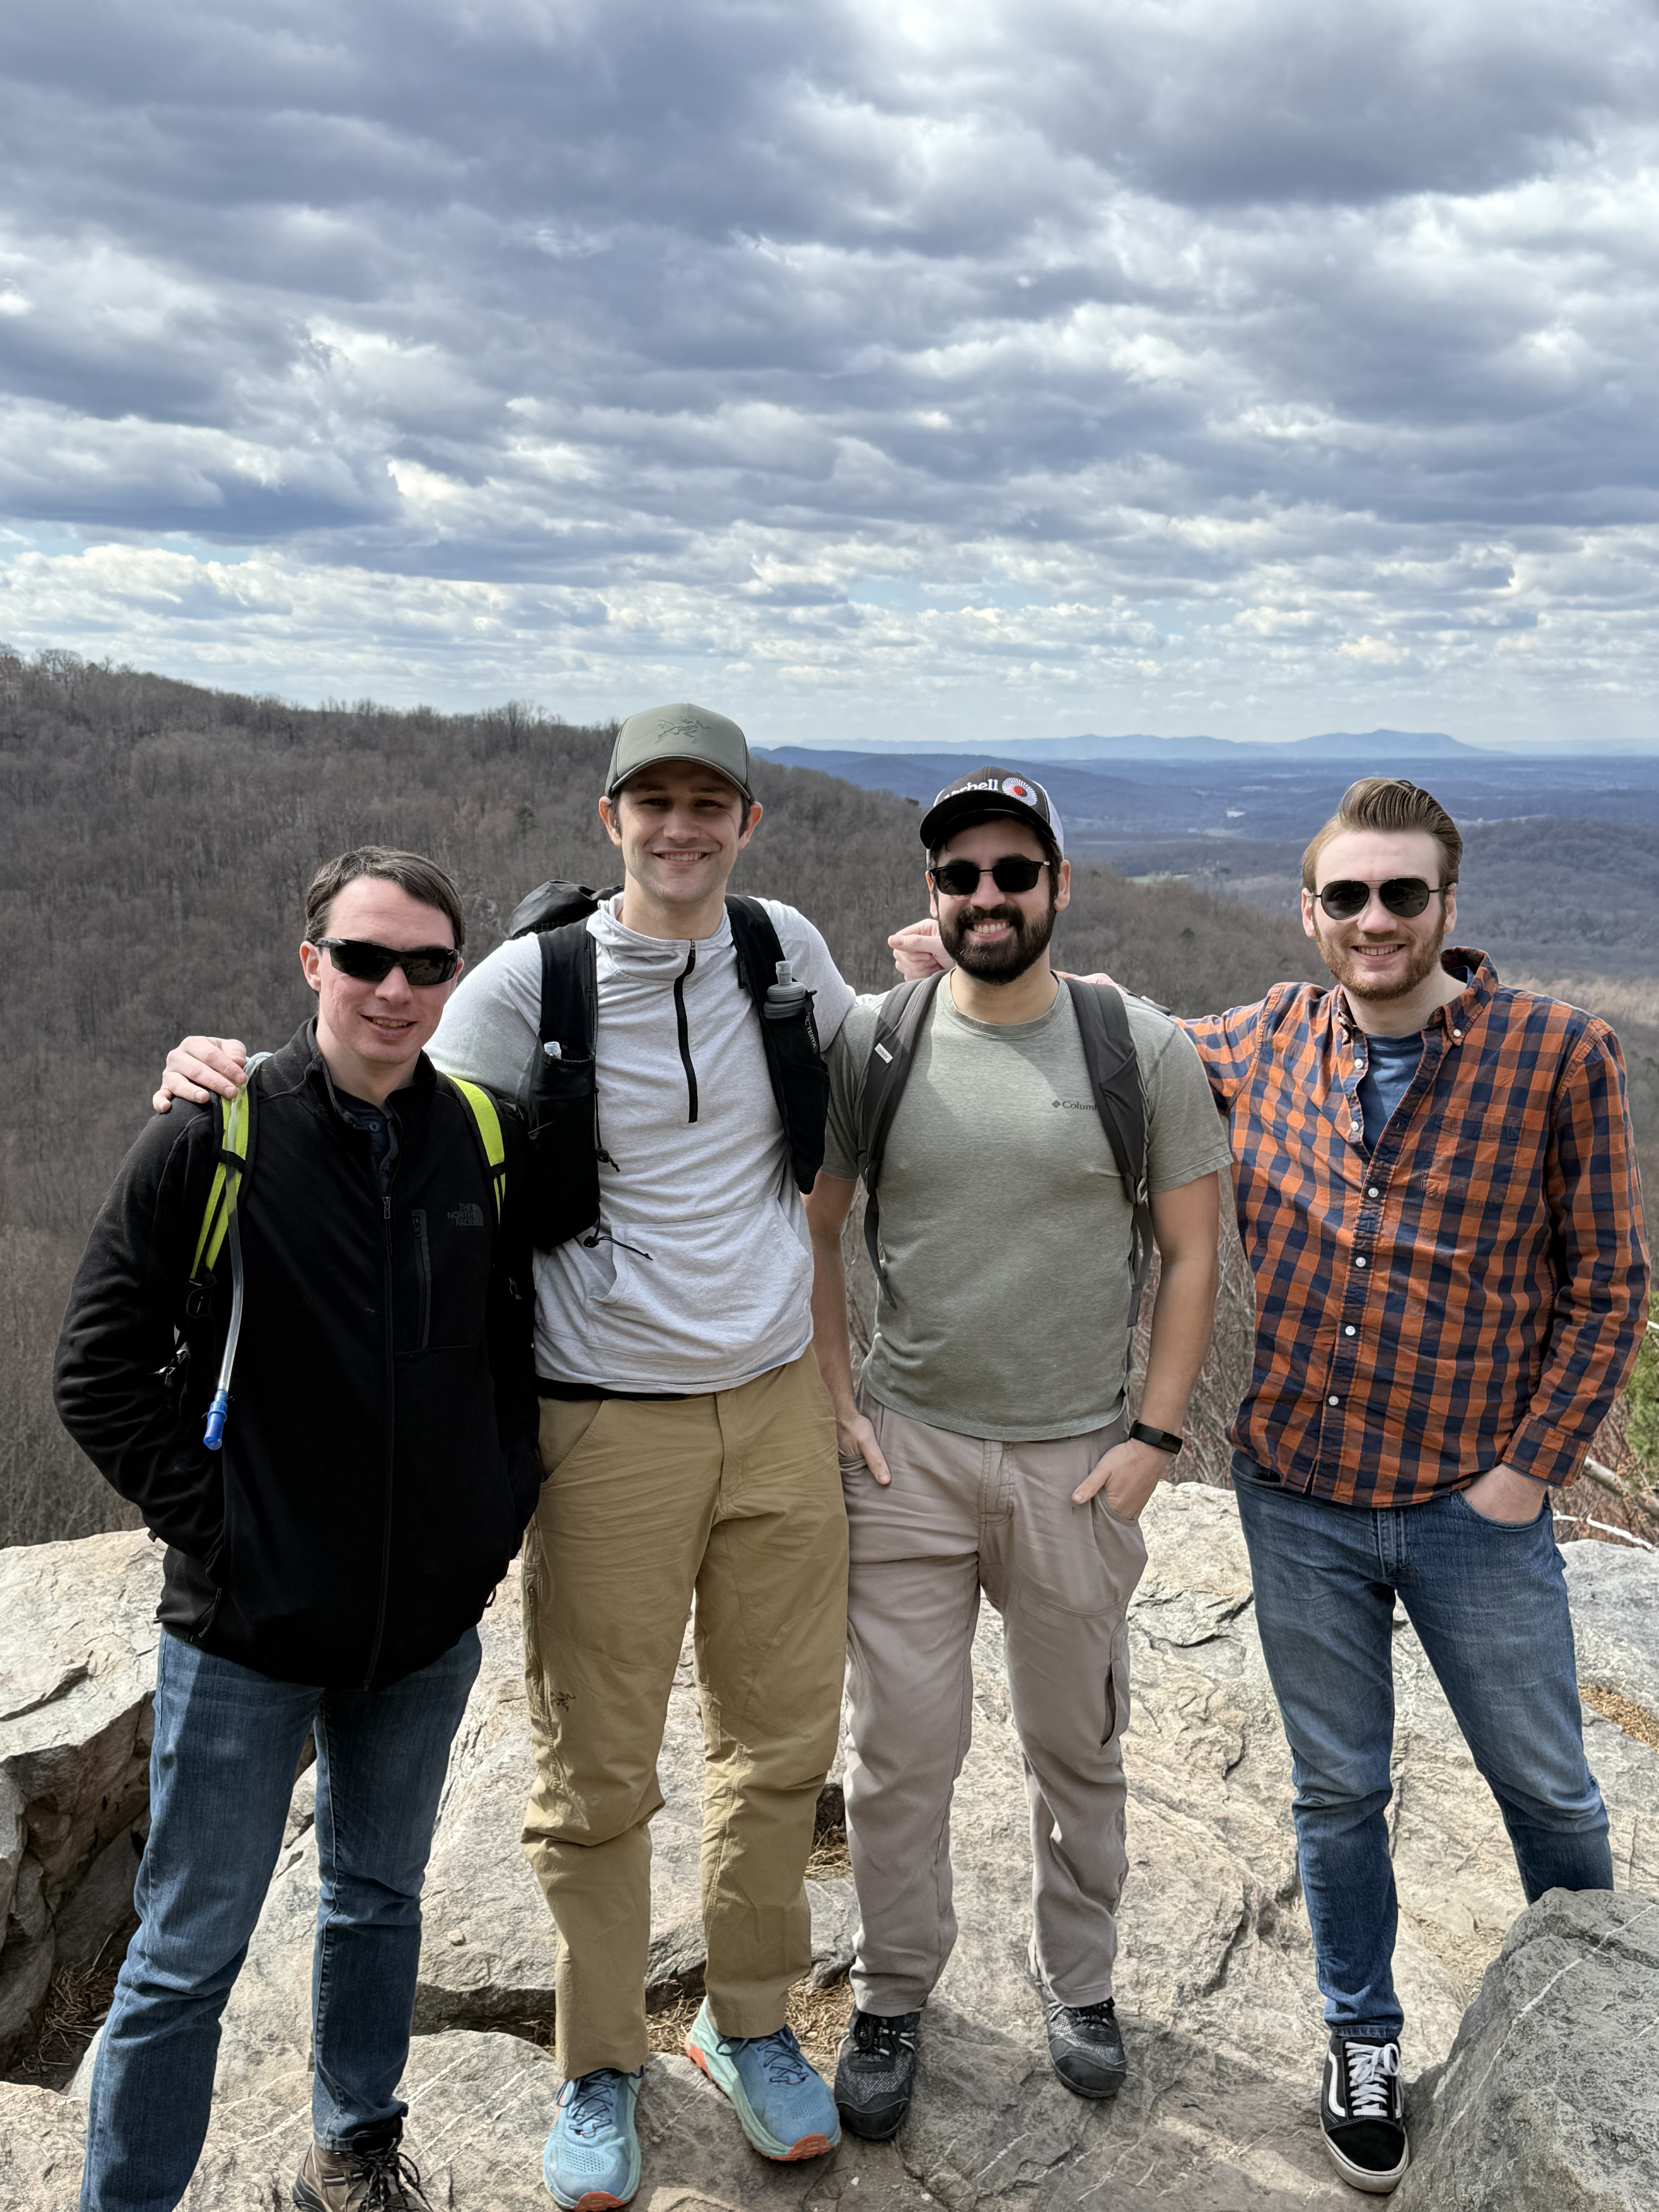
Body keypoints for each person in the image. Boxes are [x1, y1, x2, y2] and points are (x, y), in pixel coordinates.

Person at [888, 776, 1649, 2195]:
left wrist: (1524, 1474)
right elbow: (1106, 1025)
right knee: (1336, 1792)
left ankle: (1603, 2012)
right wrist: (969, 957)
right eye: (1347, 897)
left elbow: (1610, 1281)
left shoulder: (1559, 1054)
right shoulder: (1261, 1040)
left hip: (1467, 1505)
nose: (1374, 920)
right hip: (1296, 1495)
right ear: (1309, 914)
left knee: (1544, 1786)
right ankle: (1359, 2038)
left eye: (1401, 894)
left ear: (1446, 908)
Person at [153, 706, 856, 2210]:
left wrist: (994, 986)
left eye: (709, 804)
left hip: (779, 1402)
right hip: (602, 1420)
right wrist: (224, 1079)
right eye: (653, 803)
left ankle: (750, 2028)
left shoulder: (783, 953)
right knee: (594, 1767)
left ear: (749, 822)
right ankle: (599, 2061)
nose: (681, 828)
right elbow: (369, 1095)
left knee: (782, 1744)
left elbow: (880, 1075)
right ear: (609, 819)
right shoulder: (529, 987)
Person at [57, 848, 541, 2212]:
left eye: (427, 964)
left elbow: (516, 1368)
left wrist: (483, 1532)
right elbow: (96, 1369)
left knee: (379, 1901)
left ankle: (354, 2149)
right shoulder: (214, 1133)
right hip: (247, 1634)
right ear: (310, 960)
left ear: (455, 978)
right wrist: (226, 1532)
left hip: (421, 1633)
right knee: (188, 1947)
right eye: (367, 958)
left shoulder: (486, 1141)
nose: (396, 989)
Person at [805, 768, 1232, 2142]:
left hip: (1074, 1460)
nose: (984, 897)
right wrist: (836, 1405)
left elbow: (1188, 1251)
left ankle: (1084, 1985)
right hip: (908, 1456)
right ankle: (892, 1993)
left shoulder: (1136, 1046)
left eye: (1011, 873)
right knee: (898, 1752)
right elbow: (816, 1228)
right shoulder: (875, 1037)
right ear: (933, 895)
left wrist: (1154, 1438)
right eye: (960, 877)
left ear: (1058, 887)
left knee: (1075, 1744)